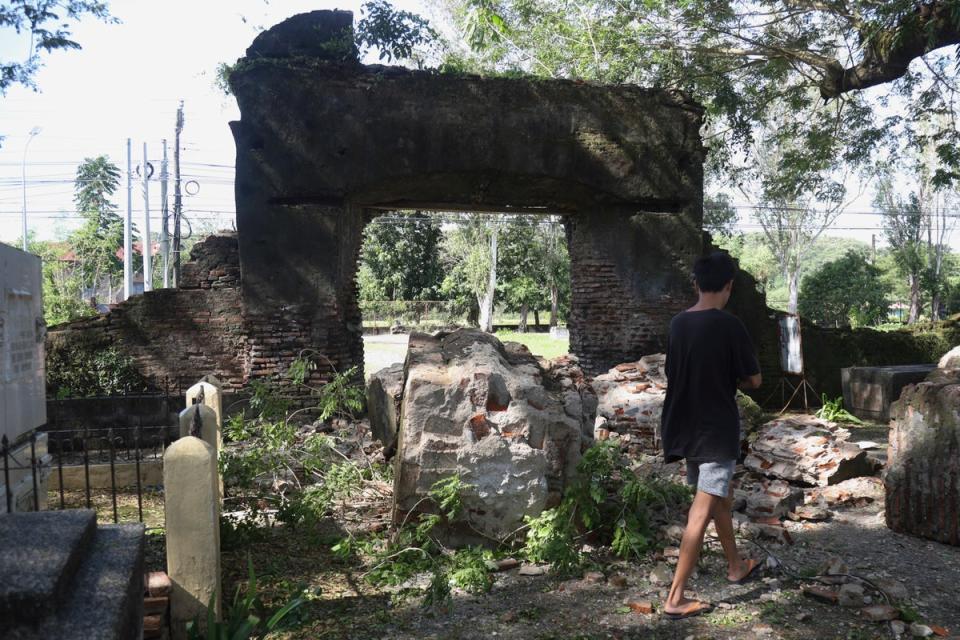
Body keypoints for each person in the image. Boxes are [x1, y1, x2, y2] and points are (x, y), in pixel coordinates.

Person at [660, 251, 763, 620]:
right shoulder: (730, 325)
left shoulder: (677, 324)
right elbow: (754, 380)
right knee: (700, 512)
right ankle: (675, 598)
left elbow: (675, 372)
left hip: (683, 424)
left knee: (719, 497)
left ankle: (736, 565)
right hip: (716, 430)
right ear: (729, 285)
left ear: (695, 283)